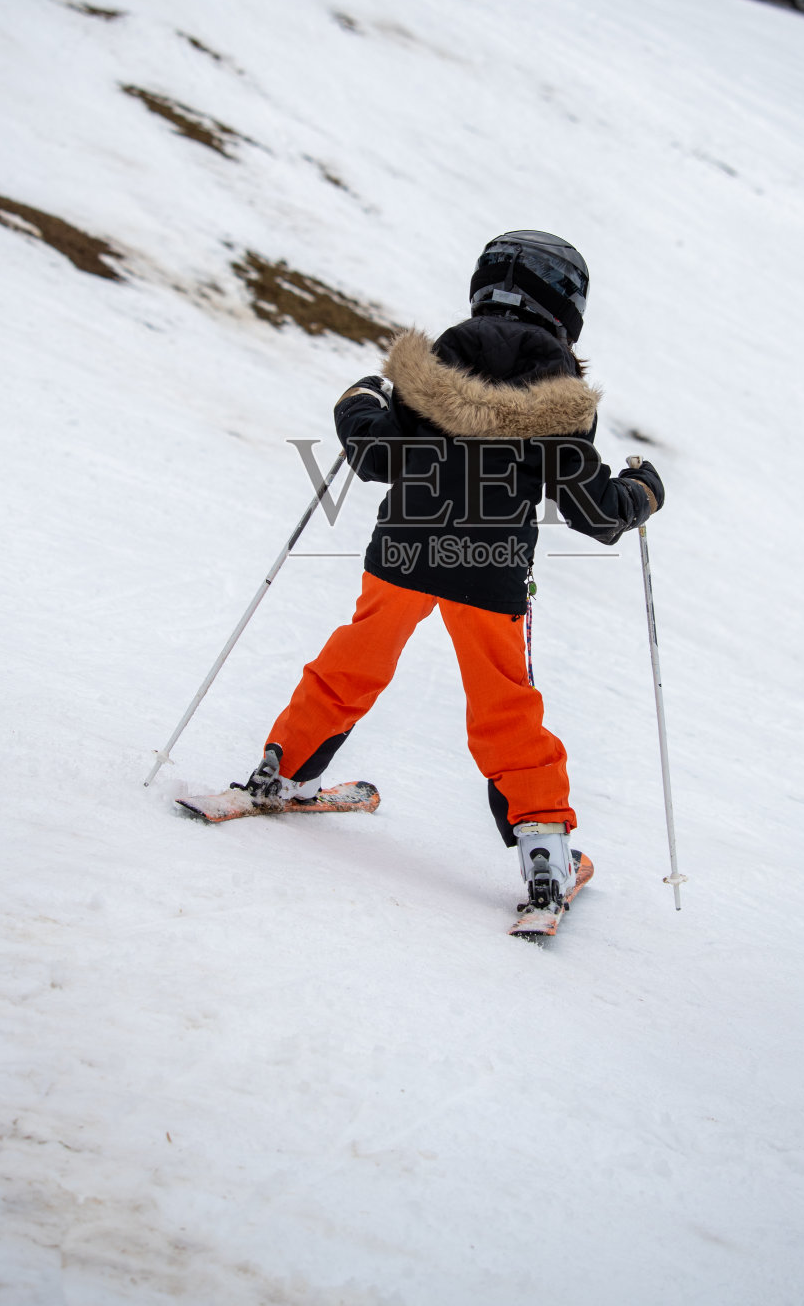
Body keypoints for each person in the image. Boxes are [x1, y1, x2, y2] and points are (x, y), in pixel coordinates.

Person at [234, 231, 664, 910]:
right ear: (567, 304)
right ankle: (545, 854)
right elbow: (592, 510)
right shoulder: (561, 383)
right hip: (488, 569)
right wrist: (643, 493)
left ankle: (277, 771)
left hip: (404, 552)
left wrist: (358, 401)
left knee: (354, 661)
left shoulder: (447, 351)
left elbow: (378, 456)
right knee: (503, 705)